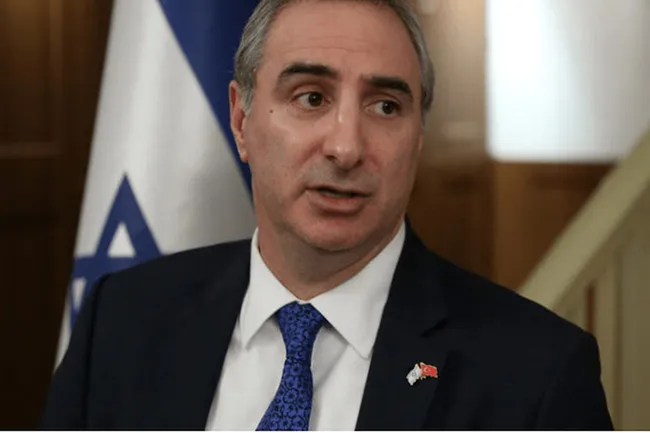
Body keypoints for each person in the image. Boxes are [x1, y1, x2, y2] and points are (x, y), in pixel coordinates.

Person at [42, 0, 613, 430]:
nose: (346, 147)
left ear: (418, 138)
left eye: (385, 106)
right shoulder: (122, 319)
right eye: (311, 97)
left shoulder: (537, 373)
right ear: (241, 122)